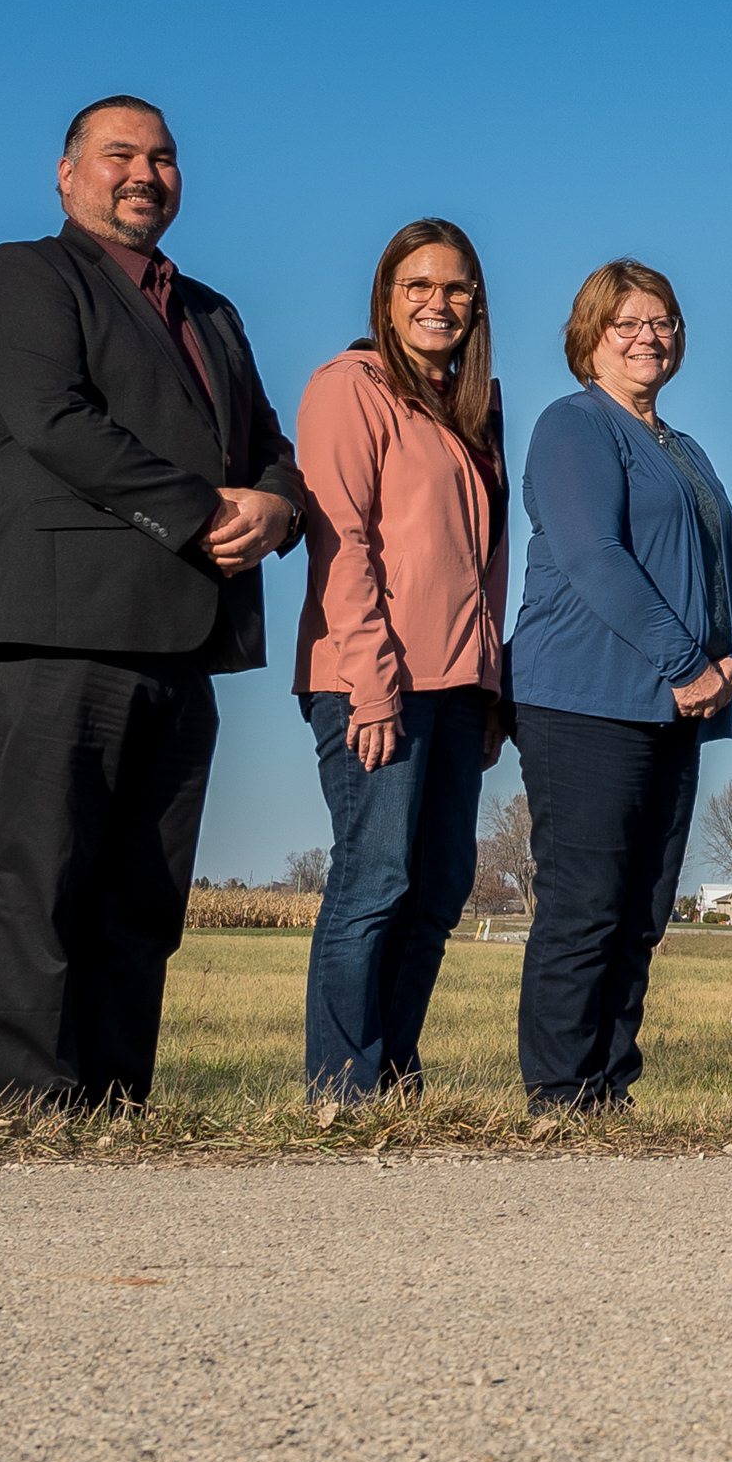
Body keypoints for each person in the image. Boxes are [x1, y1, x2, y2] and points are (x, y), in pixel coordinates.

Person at [0, 96, 306, 1112]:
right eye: (119, 155)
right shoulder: (26, 274)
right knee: (41, 877)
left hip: (185, 634)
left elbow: (268, 442)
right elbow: (53, 420)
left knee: (145, 894)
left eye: (164, 157)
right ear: (67, 175)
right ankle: (23, 1102)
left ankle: (110, 1106)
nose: (144, 173)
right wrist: (199, 511)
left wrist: (277, 506)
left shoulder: (211, 312)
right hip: (57, 620)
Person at [515, 259, 732, 1113]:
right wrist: (684, 663)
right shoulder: (574, 426)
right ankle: (559, 1092)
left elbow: (730, 572)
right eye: (626, 324)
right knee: (585, 905)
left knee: (643, 910)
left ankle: (610, 1090)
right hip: (584, 700)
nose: (647, 337)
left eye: (661, 322)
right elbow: (594, 558)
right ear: (591, 338)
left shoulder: (682, 449)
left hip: (678, 709)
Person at [290, 220, 511, 1107]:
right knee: (373, 879)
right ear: (386, 298)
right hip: (371, 681)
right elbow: (340, 543)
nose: (438, 303)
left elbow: (488, 561)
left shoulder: (476, 409)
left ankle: (392, 1072)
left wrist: (493, 689)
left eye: (456, 289)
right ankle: (339, 1087)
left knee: (440, 888)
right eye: (417, 286)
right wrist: (372, 685)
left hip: (460, 687)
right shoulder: (351, 388)